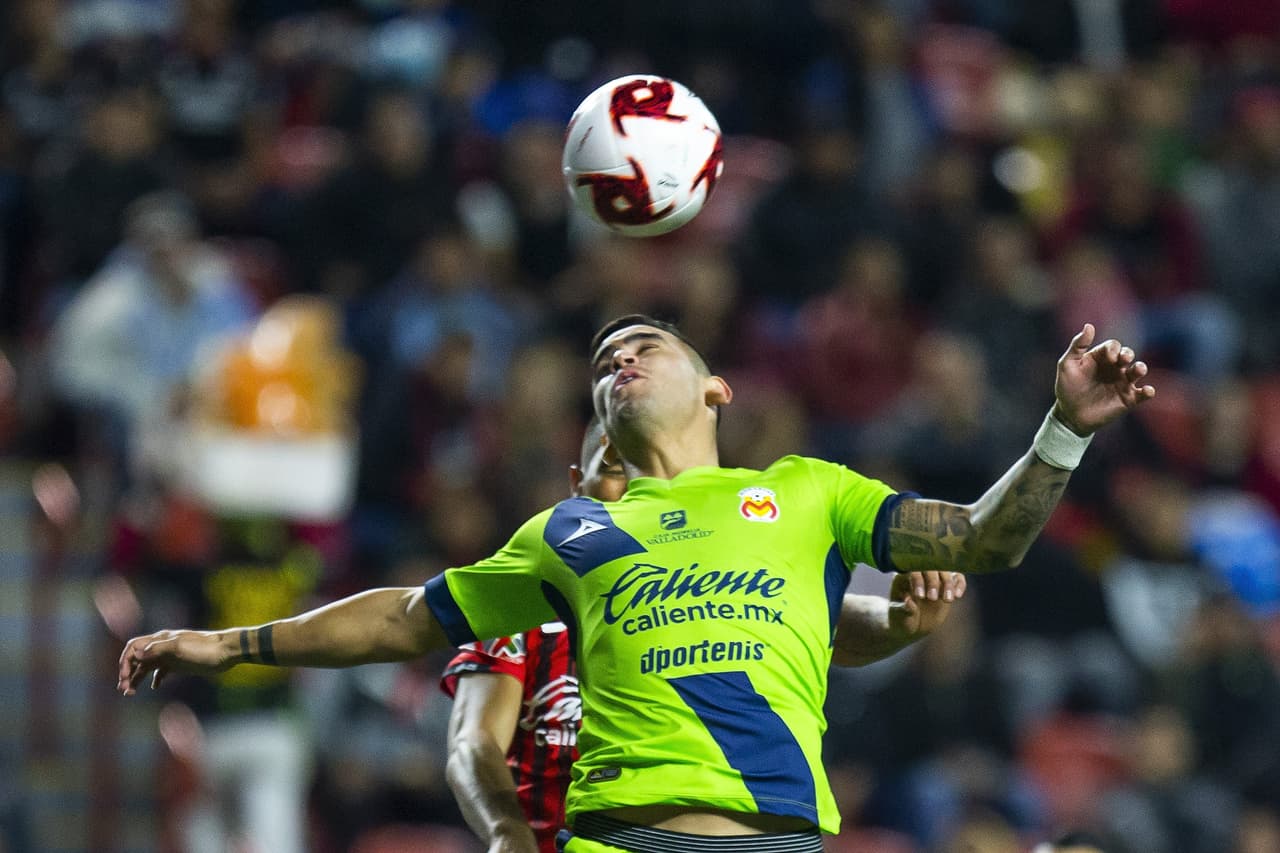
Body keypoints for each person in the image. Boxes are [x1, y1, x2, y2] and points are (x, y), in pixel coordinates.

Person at [119, 314, 1155, 853]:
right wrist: (227, 643)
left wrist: (1061, 427)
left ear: (715, 387)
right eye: (604, 357)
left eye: (644, 345)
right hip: (614, 837)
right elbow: (402, 615)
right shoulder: (568, 532)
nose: (619, 357)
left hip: (772, 835)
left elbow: (980, 538)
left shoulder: (800, 495)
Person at [441, 418, 965, 853]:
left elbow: (833, 631)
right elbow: (473, 742)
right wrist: (507, 836)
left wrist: (899, 623)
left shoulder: (716, 603)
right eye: (619, 469)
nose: (639, 492)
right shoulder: (524, 607)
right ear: (577, 486)